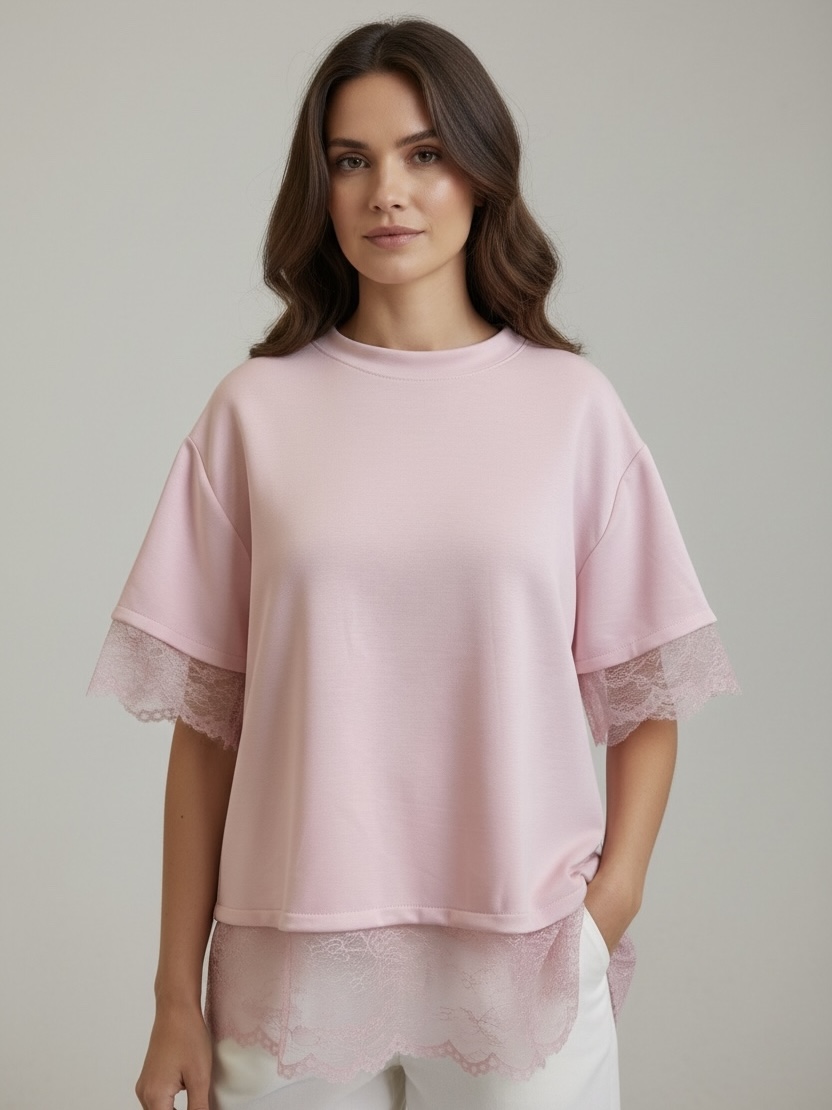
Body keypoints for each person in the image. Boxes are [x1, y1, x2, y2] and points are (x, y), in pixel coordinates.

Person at [87, 16, 740, 1110]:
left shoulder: (572, 411)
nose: (386, 192)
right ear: (321, 189)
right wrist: (171, 998)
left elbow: (644, 692)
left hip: (523, 958)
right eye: (352, 161)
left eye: (423, 154)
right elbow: (206, 731)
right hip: (288, 964)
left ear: (481, 173)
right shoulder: (253, 414)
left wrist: (607, 910)